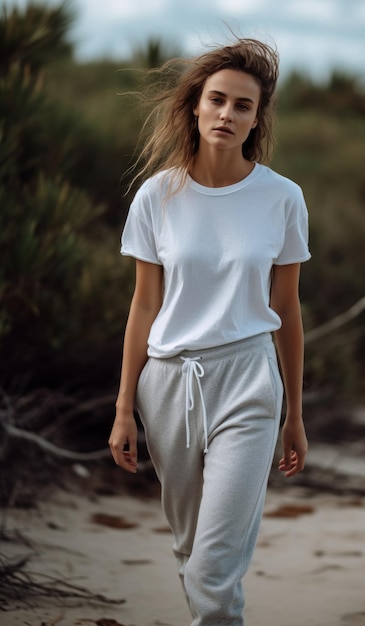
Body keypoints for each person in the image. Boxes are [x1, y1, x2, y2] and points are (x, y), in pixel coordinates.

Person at [109, 36, 311, 626]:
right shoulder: (156, 196)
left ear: (256, 119)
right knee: (190, 549)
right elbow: (143, 306)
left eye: (242, 106)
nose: (227, 114)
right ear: (194, 106)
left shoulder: (282, 199)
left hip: (249, 379)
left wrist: (293, 413)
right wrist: (125, 406)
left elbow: (288, 312)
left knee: (212, 565)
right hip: (169, 383)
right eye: (217, 100)